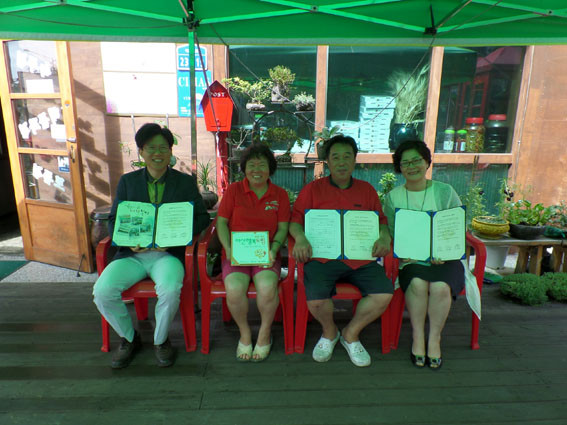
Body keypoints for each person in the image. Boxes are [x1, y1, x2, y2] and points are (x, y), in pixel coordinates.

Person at [93, 123, 210, 369]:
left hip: (168, 255)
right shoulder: (128, 182)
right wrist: (127, 241)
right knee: (102, 291)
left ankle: (161, 340)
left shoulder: (184, 182)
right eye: (151, 148)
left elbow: (201, 218)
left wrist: (177, 232)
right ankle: (129, 337)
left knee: (169, 289)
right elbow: (114, 220)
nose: (158, 153)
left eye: (163, 148)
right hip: (132, 255)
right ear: (141, 152)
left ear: (170, 151)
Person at [290, 135, 393, 367]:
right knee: (316, 299)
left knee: (384, 294)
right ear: (327, 161)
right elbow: (295, 221)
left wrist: (385, 236)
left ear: (355, 160)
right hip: (323, 258)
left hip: (360, 258)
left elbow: (381, 222)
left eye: (347, 156)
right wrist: (300, 238)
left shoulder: (367, 190)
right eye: (335, 157)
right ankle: (330, 332)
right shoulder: (312, 190)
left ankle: (350, 334)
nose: (341, 162)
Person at [383, 140, 464, 370]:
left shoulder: (445, 191)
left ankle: (434, 338)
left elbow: (456, 226)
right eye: (405, 163)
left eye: (416, 160)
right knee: (417, 284)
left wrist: (444, 251)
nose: (412, 166)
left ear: (427, 162)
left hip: (445, 258)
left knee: (440, 286)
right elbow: (390, 232)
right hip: (411, 259)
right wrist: (402, 252)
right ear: (399, 167)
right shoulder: (393, 197)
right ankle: (418, 336)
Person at [216, 143, 290, 362]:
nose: (256, 170)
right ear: (244, 168)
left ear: (270, 168)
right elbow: (221, 223)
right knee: (234, 289)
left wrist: (274, 249)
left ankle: (265, 334)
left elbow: (283, 227)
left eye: (262, 165)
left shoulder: (280, 195)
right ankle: (245, 334)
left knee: (267, 288)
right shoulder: (233, 191)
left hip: (266, 253)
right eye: (251, 165)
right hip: (236, 254)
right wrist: (228, 249)